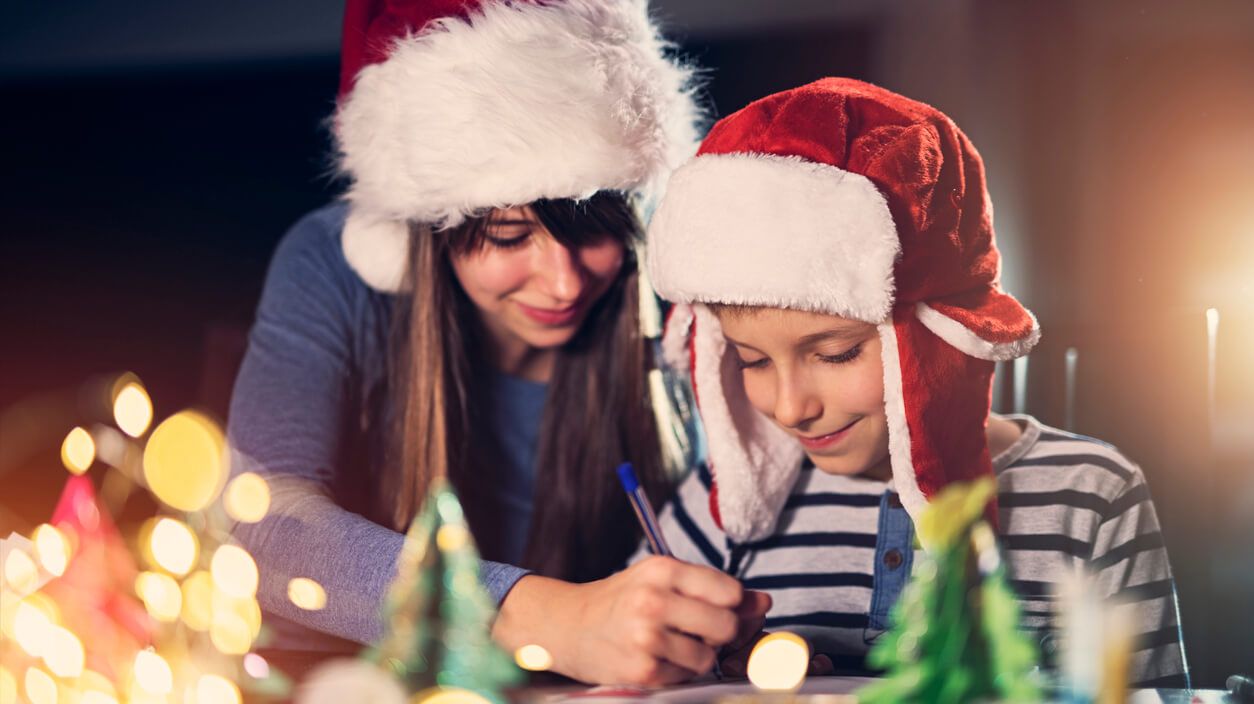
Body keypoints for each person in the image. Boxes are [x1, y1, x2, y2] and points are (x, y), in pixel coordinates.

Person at [227, 0, 766, 686]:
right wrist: (543, 618)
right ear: (428, 230)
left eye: (596, 231)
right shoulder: (333, 263)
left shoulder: (674, 290)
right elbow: (264, 524)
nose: (564, 282)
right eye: (511, 237)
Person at [642, 77, 1188, 686]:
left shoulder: (1092, 496)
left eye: (837, 353)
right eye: (752, 361)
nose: (791, 408)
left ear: (939, 341)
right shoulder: (710, 510)